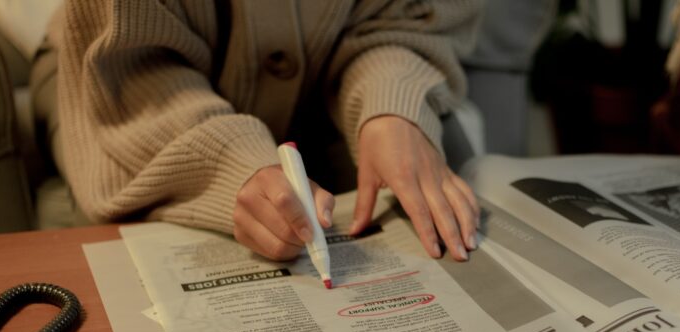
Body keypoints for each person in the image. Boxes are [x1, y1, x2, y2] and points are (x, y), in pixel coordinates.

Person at [48, 1, 482, 262]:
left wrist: (392, 106)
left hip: (333, 82)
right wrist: (229, 162)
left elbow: (410, 17)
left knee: (434, 200)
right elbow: (134, 74)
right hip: (120, 90)